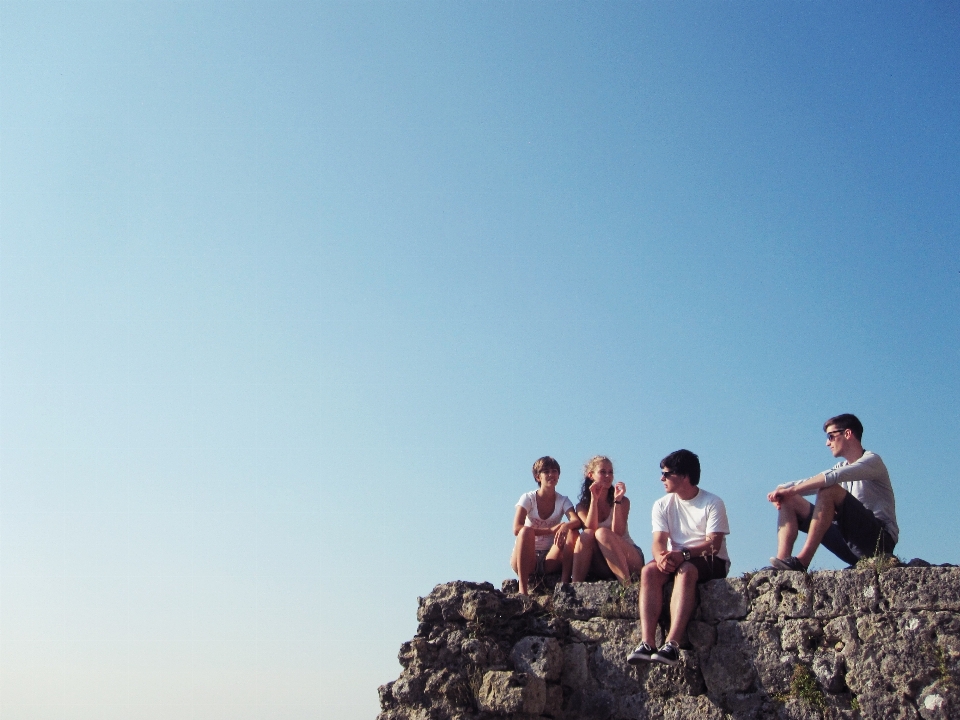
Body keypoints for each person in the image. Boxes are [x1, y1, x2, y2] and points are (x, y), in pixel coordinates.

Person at [628, 449, 730, 667]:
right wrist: (660, 557)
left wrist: (683, 555)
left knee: (686, 571)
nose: (661, 478)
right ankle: (647, 643)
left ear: (684, 476)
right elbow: (658, 541)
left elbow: (714, 544)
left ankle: (672, 644)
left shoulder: (712, 502)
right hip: (676, 557)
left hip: (709, 560)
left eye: (666, 474)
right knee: (649, 571)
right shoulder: (662, 504)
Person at [766, 413, 898, 572]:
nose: (827, 443)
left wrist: (791, 489)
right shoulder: (840, 467)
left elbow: (832, 477)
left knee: (829, 490)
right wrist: (782, 490)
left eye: (831, 436)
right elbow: (813, 481)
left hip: (878, 543)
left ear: (847, 434)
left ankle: (802, 562)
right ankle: (781, 564)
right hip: (849, 543)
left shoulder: (872, 460)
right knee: (790, 499)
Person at [510, 456, 582, 595]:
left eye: (554, 471)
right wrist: (549, 530)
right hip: (526, 558)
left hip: (550, 557)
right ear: (538, 477)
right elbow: (517, 528)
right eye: (546, 471)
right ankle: (523, 591)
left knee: (573, 532)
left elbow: (576, 521)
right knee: (525, 531)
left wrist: (565, 526)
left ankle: (565, 585)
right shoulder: (528, 498)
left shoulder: (563, 500)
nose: (551, 474)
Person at [571, 456, 645, 585]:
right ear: (591, 475)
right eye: (602, 472)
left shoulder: (623, 501)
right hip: (602, 561)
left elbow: (618, 532)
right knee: (587, 534)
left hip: (629, 557)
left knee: (602, 533)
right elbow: (590, 529)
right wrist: (594, 499)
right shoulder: (582, 507)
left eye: (610, 472)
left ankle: (626, 587)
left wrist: (617, 501)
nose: (607, 476)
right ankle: (575, 587)